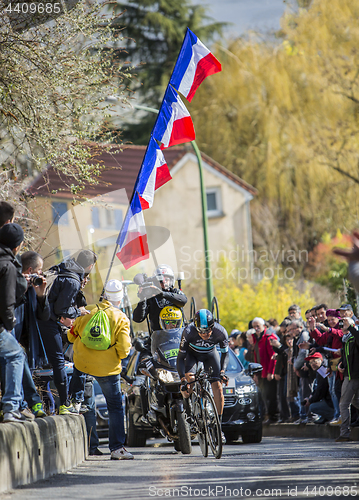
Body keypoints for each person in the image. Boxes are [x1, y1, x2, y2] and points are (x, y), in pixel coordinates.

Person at [68, 278, 133, 460]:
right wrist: (116, 356)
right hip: (108, 368)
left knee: (87, 406)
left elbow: (71, 336)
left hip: (83, 365)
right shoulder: (121, 317)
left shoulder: (87, 310)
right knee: (114, 407)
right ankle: (117, 448)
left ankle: (91, 446)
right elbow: (124, 348)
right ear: (119, 300)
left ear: (103, 295)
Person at [37, 249, 97, 414]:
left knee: (40, 364)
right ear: (90, 266)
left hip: (38, 319)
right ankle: (65, 404)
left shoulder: (63, 268)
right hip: (48, 322)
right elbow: (62, 308)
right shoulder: (73, 280)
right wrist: (79, 312)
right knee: (58, 363)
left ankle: (42, 405)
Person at [177, 309, 229, 442]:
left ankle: (218, 426)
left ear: (213, 326)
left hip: (210, 355)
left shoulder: (220, 332)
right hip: (191, 355)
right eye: (201, 331)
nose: (205, 334)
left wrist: (222, 372)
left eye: (208, 331)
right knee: (189, 381)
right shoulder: (188, 331)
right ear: (196, 327)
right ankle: (189, 413)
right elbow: (180, 358)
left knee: (218, 386)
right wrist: (183, 379)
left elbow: (225, 354)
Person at [0, 223, 31, 423]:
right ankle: (11, 408)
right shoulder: (8, 265)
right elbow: (7, 301)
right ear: (18, 246)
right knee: (16, 354)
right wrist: (10, 323)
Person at [14, 251, 50, 418]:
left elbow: (44, 317)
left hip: (25, 339)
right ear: (30, 270)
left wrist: (41, 296)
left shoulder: (34, 289)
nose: (41, 274)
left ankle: (25, 404)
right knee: (17, 358)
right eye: (39, 270)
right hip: (9, 334)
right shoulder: (12, 282)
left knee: (20, 360)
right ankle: (28, 404)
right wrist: (21, 285)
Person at [132, 264, 187, 334]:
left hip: (178, 337)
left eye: (166, 279)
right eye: (160, 281)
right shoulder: (152, 297)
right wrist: (142, 299)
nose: (164, 282)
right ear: (156, 282)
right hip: (158, 340)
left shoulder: (175, 292)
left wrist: (163, 294)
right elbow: (137, 318)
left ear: (171, 280)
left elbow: (183, 301)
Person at [247, 317, 278, 424]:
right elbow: (256, 358)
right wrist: (255, 374)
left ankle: (273, 416)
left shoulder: (269, 337)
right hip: (261, 372)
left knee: (271, 396)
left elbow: (273, 356)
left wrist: (271, 372)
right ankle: (267, 415)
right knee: (264, 396)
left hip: (268, 372)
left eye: (258, 326)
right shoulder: (256, 338)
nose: (256, 328)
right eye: (254, 326)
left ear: (263, 326)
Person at [335, 317, 359, 442]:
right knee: (355, 402)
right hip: (349, 376)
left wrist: (351, 327)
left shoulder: (354, 336)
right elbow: (346, 357)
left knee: (343, 405)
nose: (342, 325)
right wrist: (340, 365)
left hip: (354, 377)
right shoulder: (346, 339)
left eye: (344, 323)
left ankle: (344, 433)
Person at [301, 352, 334, 424]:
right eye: (311, 362)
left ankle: (332, 416)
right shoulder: (320, 371)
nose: (312, 364)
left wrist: (310, 401)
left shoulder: (322, 370)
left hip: (331, 402)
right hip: (329, 400)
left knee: (313, 407)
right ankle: (325, 417)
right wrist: (312, 395)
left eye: (315, 361)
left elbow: (321, 390)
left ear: (321, 360)